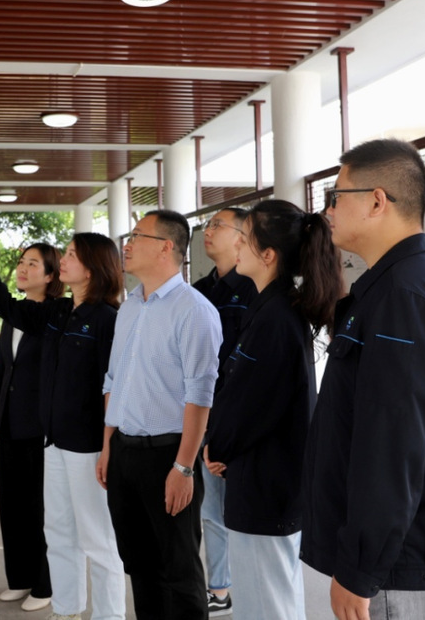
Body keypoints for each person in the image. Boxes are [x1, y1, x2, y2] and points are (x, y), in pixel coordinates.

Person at [300, 139, 425, 620]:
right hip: (395, 561)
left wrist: (360, 568)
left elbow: (393, 444)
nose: (328, 211)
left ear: (377, 201)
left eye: (336, 197)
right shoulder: (394, 285)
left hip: (399, 568)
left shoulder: (405, 293)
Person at [0, 227, 126, 620]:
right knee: (58, 531)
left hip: (88, 445)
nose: (63, 260)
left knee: (98, 539)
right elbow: (9, 307)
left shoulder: (108, 319)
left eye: (71, 255)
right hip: (53, 442)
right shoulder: (57, 312)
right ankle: (67, 609)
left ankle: (109, 615)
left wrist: (109, 446)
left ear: (92, 268)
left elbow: (115, 389)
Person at [205, 200, 343, 620]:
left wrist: (218, 446)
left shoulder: (277, 317)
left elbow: (251, 402)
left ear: (268, 255)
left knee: (267, 604)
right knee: (266, 599)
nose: (236, 246)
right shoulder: (271, 307)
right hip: (261, 480)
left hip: (268, 486)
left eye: (245, 239)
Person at [98, 210, 222, 620]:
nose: (127, 244)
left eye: (137, 236)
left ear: (166, 247)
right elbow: (114, 380)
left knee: (179, 571)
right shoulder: (130, 306)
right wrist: (108, 447)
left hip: (168, 456)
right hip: (124, 452)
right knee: (139, 565)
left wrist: (184, 467)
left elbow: (200, 396)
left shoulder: (194, 310)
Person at [0, 243, 62, 612]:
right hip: (11, 422)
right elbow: (3, 369)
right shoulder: (13, 315)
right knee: (12, 505)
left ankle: (45, 586)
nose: (23, 268)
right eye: (21, 262)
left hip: (40, 427)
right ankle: (20, 578)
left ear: (50, 275)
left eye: (33, 263)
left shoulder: (53, 314)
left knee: (39, 508)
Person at [192, 208, 257, 617]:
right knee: (211, 512)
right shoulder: (198, 290)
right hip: (203, 415)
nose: (208, 230)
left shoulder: (254, 289)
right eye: (207, 224)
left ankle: (243, 589)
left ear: (242, 237)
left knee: (244, 514)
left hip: (239, 421)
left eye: (218, 224)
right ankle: (220, 588)